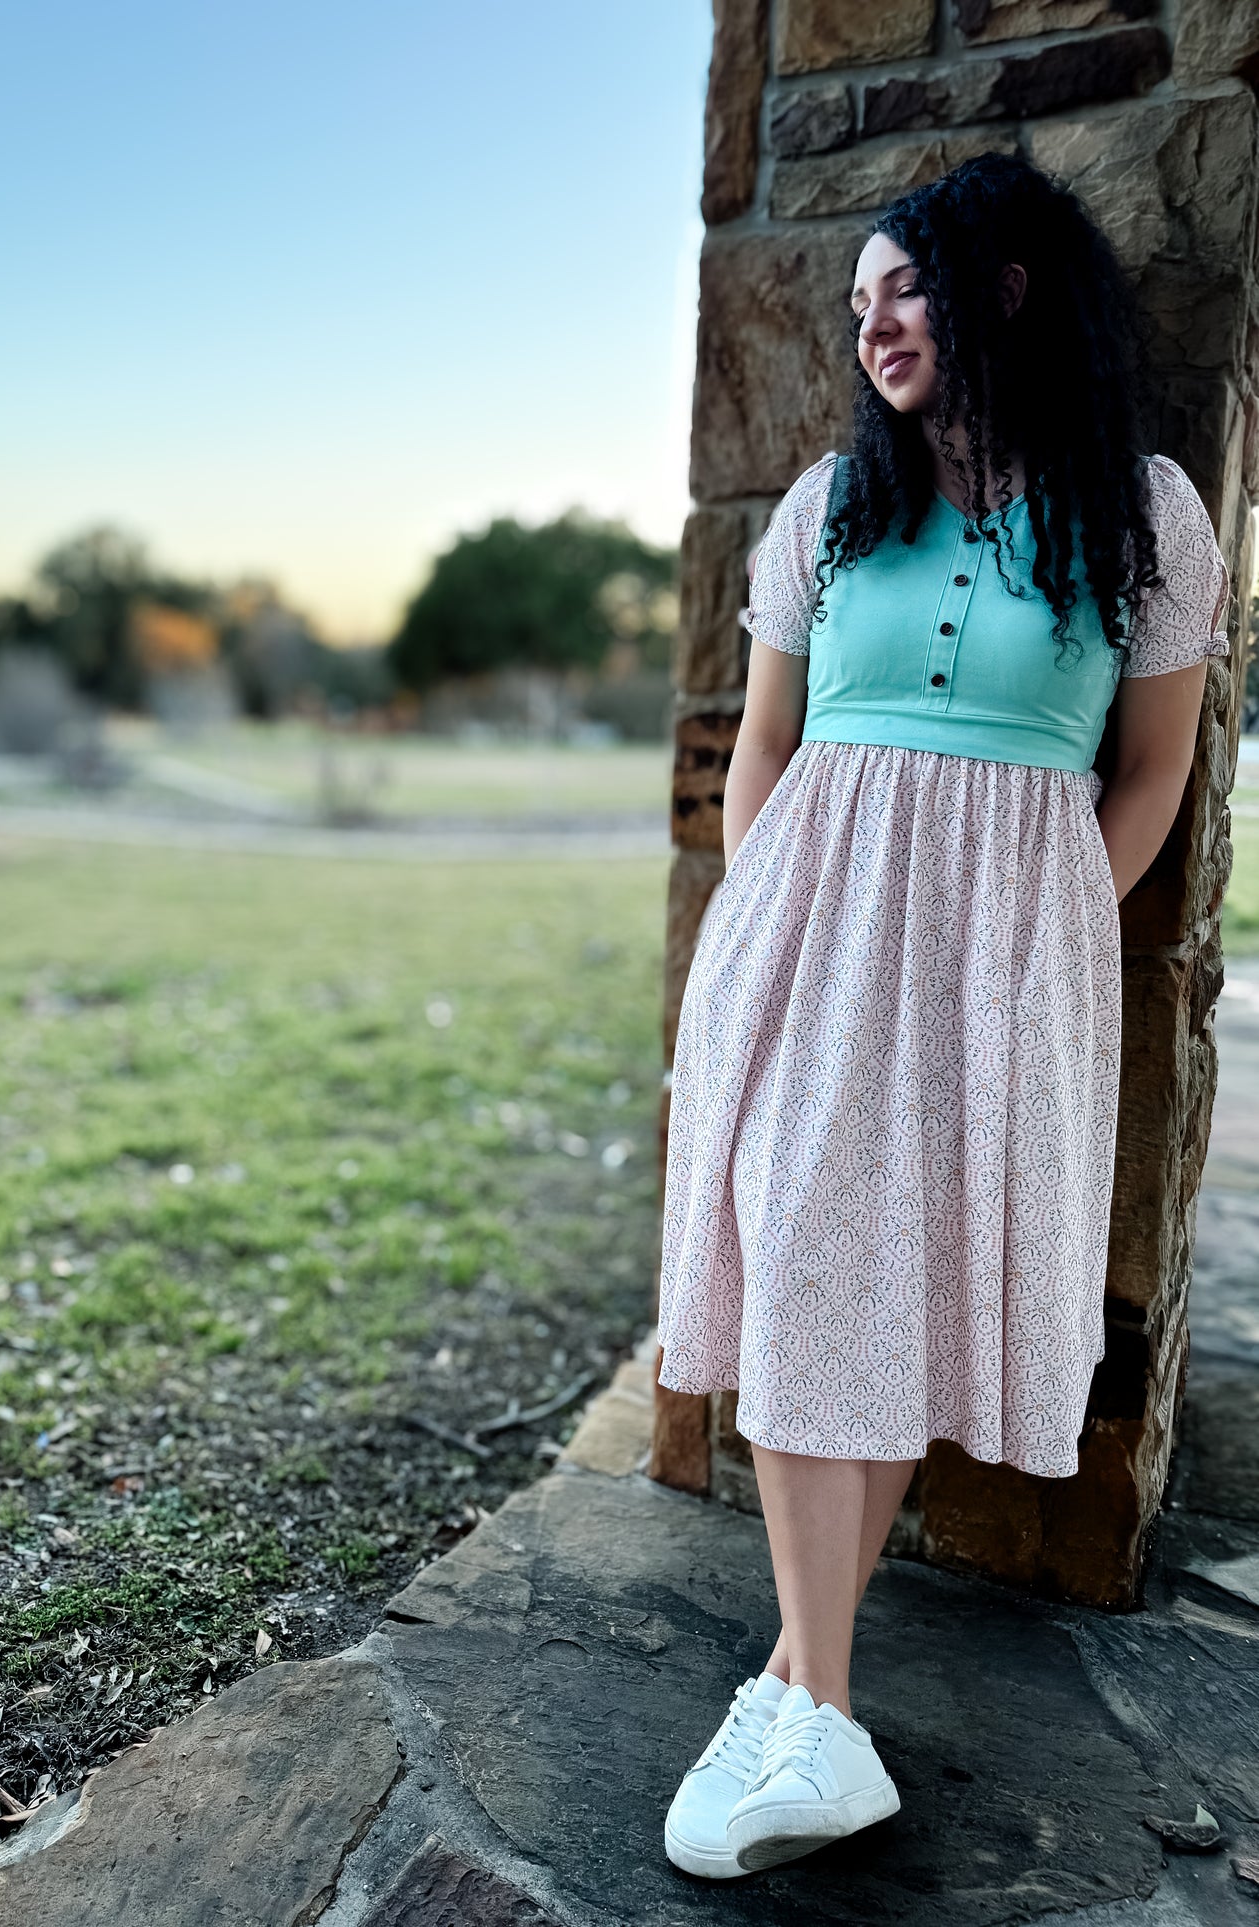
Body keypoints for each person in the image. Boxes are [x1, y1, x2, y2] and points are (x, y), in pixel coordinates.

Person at [656, 151, 1232, 1880]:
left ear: (1001, 286)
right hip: (808, 929)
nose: (872, 323)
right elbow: (764, 745)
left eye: (902, 286)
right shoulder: (830, 502)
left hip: (1007, 956)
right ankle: (814, 1706)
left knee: (891, 1278)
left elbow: (1152, 774)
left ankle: (798, 1697)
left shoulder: (1140, 510)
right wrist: (772, 922)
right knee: (810, 1250)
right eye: (851, 306)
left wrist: (1051, 919)